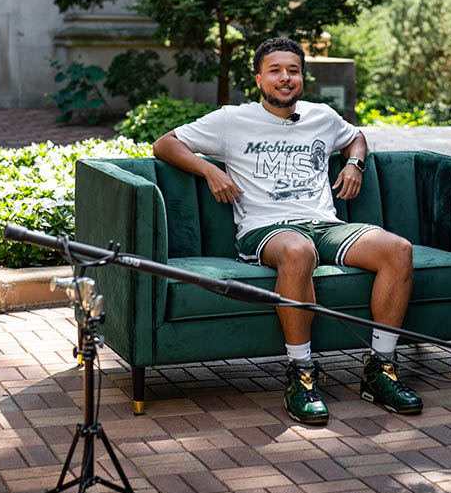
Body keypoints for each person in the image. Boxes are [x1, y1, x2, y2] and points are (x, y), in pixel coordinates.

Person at [152, 37, 422, 425]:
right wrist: (210, 169)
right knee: (298, 252)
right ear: (259, 78)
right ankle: (301, 373)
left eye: (292, 70)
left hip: (324, 224)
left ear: (302, 77)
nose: (285, 78)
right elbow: (165, 144)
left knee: (397, 249)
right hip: (266, 229)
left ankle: (380, 368)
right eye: (275, 70)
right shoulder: (232, 120)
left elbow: (355, 137)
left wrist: (354, 164)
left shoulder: (322, 116)